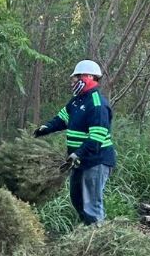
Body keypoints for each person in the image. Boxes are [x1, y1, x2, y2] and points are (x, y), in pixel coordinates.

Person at [34, 60, 116, 225]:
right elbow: (62, 118)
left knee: (92, 204)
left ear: (88, 77)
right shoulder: (76, 101)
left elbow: (96, 138)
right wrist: (46, 128)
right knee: (77, 199)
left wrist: (78, 153)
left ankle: (98, 237)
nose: (72, 82)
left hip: (96, 161)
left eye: (75, 78)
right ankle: (86, 233)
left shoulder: (97, 104)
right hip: (78, 161)